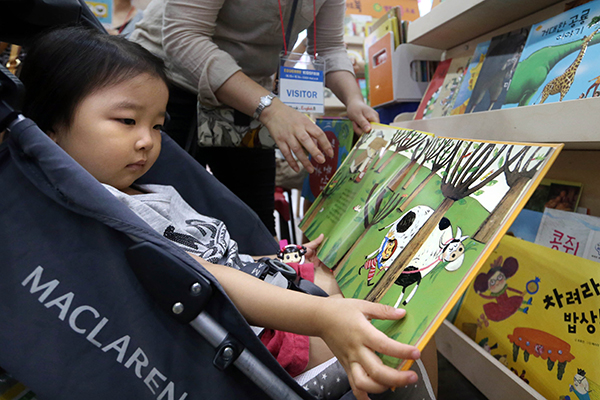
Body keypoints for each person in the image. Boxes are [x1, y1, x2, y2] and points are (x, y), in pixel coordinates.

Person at [20, 27, 421, 400]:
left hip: (271, 293)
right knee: (411, 329)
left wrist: (288, 259)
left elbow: (223, 257)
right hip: (263, 340)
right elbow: (205, 275)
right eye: (127, 121)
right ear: (51, 131)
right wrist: (322, 315)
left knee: (368, 281)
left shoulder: (152, 191)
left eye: (158, 126)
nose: (147, 141)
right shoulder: (112, 216)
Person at [129, 0, 379, 235]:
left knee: (256, 224)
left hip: (249, 98)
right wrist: (271, 109)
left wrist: (354, 99)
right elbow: (183, 36)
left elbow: (329, 47)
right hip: (170, 82)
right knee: (159, 217)